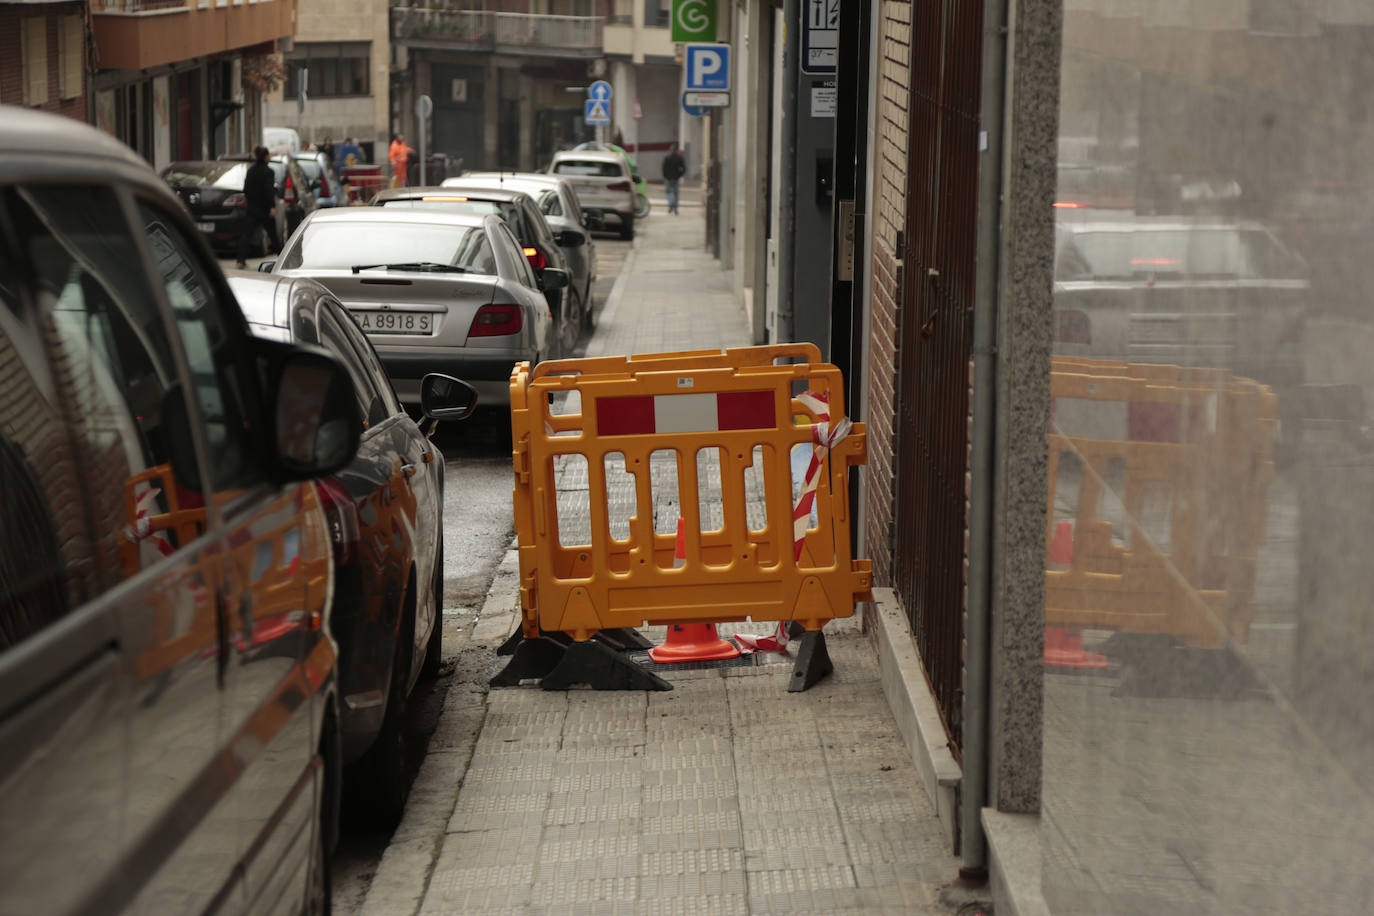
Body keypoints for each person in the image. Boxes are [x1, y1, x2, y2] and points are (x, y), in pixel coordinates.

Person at [236, 145, 280, 268]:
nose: (270, 157)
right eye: (269, 155)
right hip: (265, 209)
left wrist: (250, 201)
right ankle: (282, 258)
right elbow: (268, 190)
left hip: (252, 208)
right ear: (265, 157)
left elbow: (246, 189)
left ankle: (240, 260)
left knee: (247, 235)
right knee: (273, 235)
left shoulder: (251, 170)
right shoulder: (268, 172)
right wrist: (272, 207)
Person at [662, 142, 686, 215]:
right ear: (677, 150)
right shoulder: (679, 158)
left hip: (668, 178)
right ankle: (675, 208)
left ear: (671, 150)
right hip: (676, 178)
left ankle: (670, 204)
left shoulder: (667, 157)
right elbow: (684, 168)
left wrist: (665, 176)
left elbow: (663, 168)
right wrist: (679, 175)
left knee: (668, 192)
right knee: (676, 194)